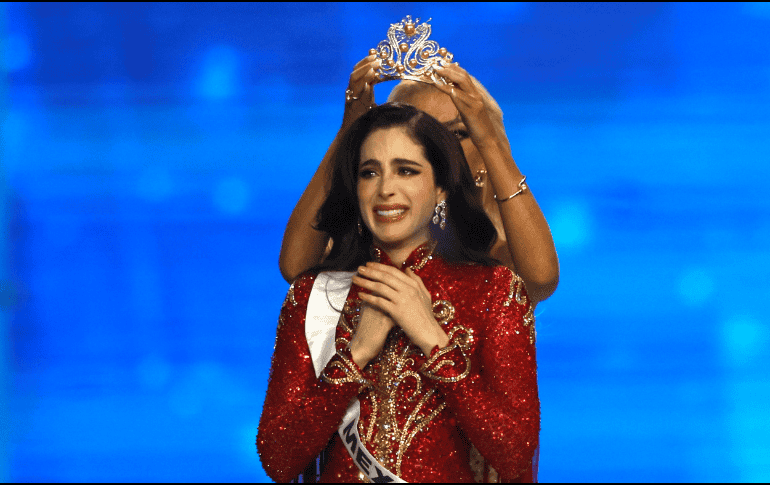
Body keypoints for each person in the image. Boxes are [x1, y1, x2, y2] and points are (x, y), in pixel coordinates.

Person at [257, 103, 540, 482]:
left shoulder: (494, 291)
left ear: (441, 187)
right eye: (369, 172)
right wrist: (355, 355)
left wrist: (434, 341)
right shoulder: (315, 295)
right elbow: (278, 459)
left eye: (406, 170)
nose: (385, 189)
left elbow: (516, 453)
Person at [279, 53, 559, 308]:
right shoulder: (358, 253)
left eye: (458, 134)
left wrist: (488, 140)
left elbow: (541, 279)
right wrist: (350, 130)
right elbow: (296, 269)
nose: (441, 152)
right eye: (418, 137)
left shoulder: (505, 261)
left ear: (486, 159)